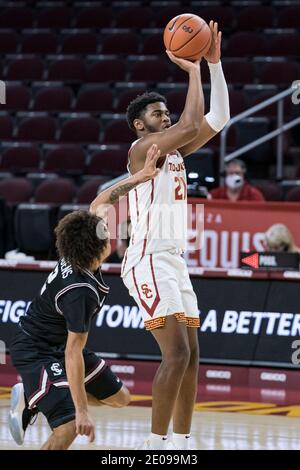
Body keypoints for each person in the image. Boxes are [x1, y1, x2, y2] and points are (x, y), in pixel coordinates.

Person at [8, 144, 161, 450]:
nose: (111, 230)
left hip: (57, 343)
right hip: (38, 349)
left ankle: (32, 399)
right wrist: (81, 411)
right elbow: (73, 353)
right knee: (68, 427)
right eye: (106, 231)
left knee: (121, 398)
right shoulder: (81, 291)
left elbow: (103, 199)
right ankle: (49, 402)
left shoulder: (80, 246)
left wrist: (142, 176)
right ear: (96, 248)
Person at [121, 21, 230, 450]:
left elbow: (216, 118)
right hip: (147, 258)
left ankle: (183, 445)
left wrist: (215, 66)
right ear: (139, 127)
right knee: (177, 354)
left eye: (166, 112)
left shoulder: (175, 151)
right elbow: (188, 124)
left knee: (193, 356)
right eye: (156, 115)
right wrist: (192, 70)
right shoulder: (137, 153)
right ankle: (154, 447)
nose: (164, 117)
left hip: (173, 259)